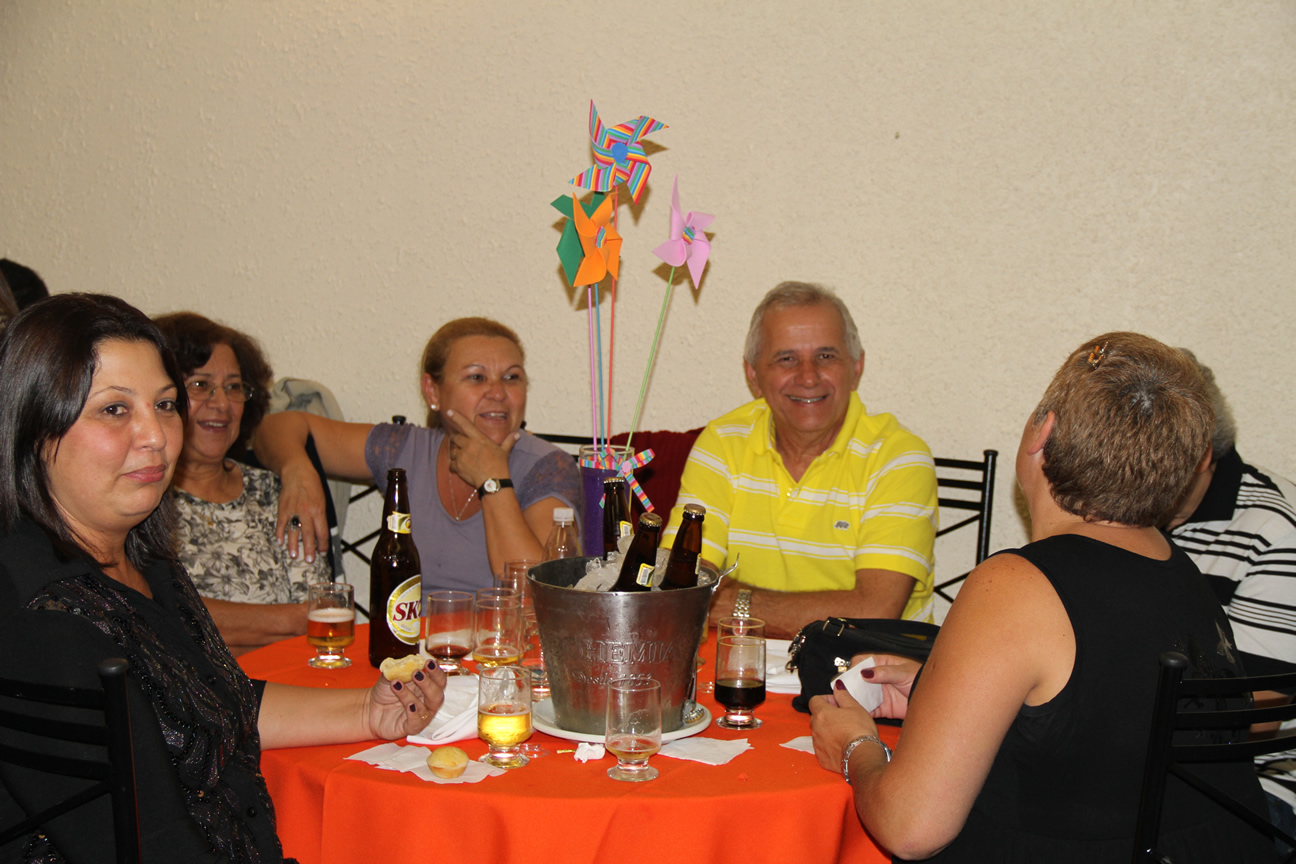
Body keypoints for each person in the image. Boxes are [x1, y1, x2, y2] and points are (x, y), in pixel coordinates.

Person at [0, 293, 446, 863]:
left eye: (165, 405)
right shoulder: (47, 621)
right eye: (114, 410)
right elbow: (150, 842)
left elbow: (210, 700)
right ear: (34, 427)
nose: (156, 435)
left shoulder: (144, 560)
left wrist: (367, 712)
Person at [808, 332, 1273, 862]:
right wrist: (939, 696)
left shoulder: (1015, 584)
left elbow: (911, 829)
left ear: (1041, 431)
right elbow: (1106, 730)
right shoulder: (1183, 572)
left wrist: (856, 746)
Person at [663, 282, 937, 638]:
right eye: (786, 359)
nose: (808, 377)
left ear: (856, 367)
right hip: (741, 662)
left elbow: (874, 612)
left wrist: (729, 602)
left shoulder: (899, 458)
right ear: (753, 375)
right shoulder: (722, 443)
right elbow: (680, 587)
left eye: (826, 356)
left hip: (869, 670)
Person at [253, 317, 581, 593]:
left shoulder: (549, 467)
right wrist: (297, 470)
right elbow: (273, 428)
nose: (498, 392)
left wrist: (493, 480)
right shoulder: (404, 448)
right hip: (409, 646)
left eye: (511, 377)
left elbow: (538, 596)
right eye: (476, 377)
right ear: (432, 391)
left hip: (500, 646)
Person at [1167, 350, 1296, 838]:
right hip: (1148, 754)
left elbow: (1254, 719)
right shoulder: (1128, 509)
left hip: (1257, 781)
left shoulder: (1276, 531)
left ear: (1202, 455)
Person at [154, 312, 330, 656]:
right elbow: (158, 618)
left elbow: (321, 616)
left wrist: (223, 627)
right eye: (200, 385)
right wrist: (292, 621)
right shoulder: (143, 500)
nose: (222, 403)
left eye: (233, 387)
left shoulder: (275, 491)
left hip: (292, 679)